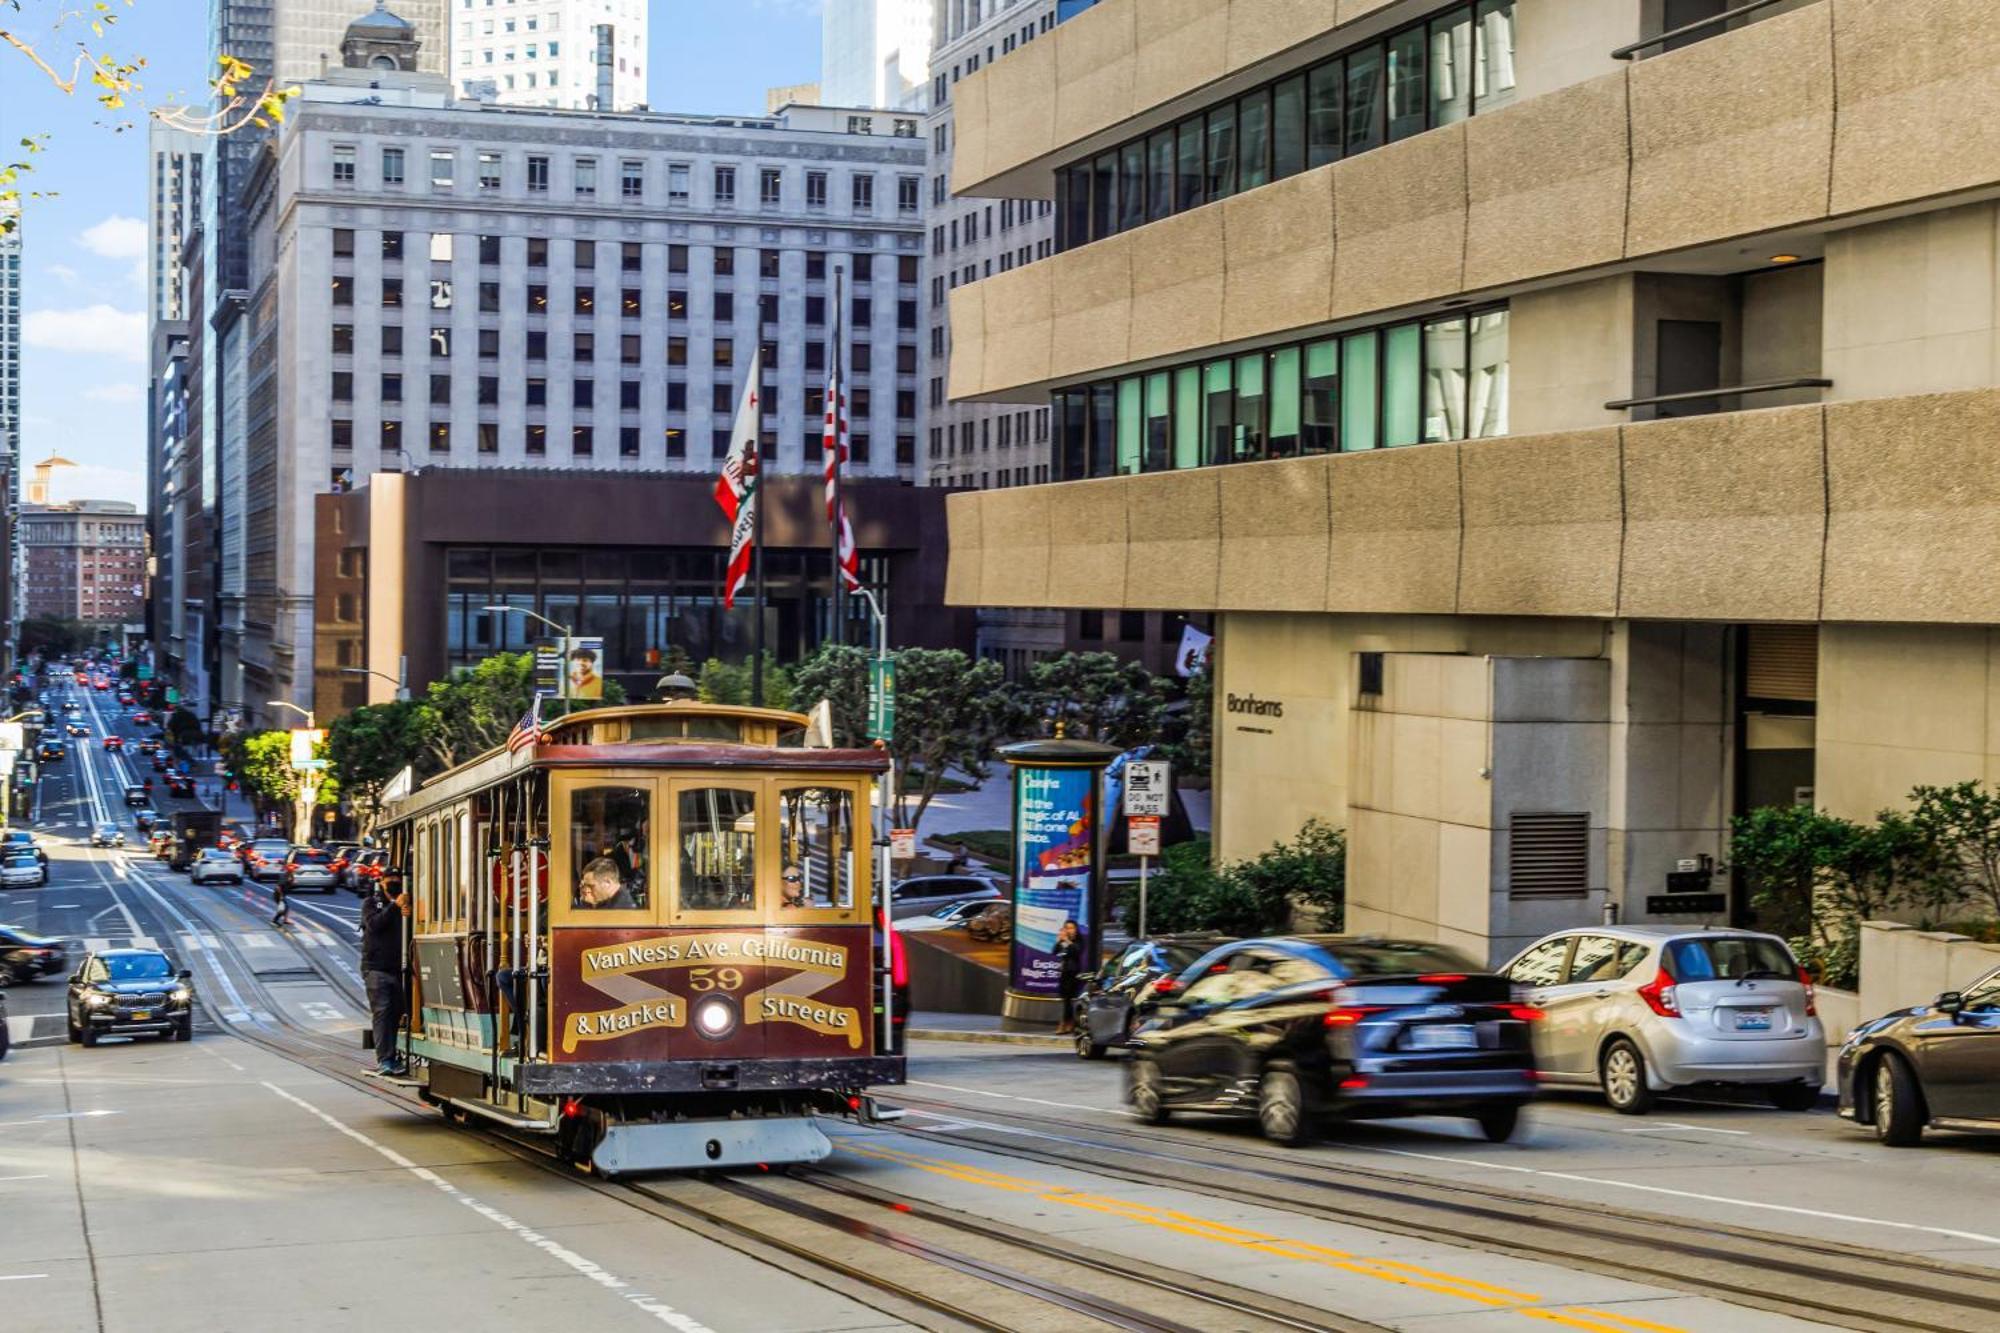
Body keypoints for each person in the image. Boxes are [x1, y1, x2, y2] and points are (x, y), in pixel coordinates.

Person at [361, 868, 412, 1076]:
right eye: (389, 879)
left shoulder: (405, 903)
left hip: (399, 969)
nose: (393, 882)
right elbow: (373, 925)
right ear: (381, 882)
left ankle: (393, 1054)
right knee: (382, 1012)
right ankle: (385, 1060)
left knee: (397, 1012)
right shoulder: (372, 903)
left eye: (397, 879)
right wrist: (394, 907)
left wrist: (408, 911)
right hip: (376, 968)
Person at [1053, 917, 1084, 1035]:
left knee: (1068, 999)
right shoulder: (1063, 941)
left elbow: (1077, 951)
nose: (1069, 930)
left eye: (1072, 928)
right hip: (1064, 972)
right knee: (1066, 1000)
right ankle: (1070, 1022)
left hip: (1073, 972)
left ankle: (1064, 1023)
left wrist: (1067, 941)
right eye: (1067, 928)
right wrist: (1058, 941)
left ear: (1076, 929)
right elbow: (1055, 952)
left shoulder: (1078, 940)